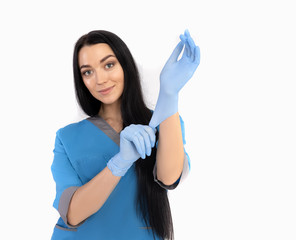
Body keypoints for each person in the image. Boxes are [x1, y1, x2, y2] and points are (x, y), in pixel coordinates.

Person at [50, 29, 200, 240]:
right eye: (87, 72)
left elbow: (170, 178)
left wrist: (169, 94)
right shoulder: (67, 137)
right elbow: (72, 214)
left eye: (108, 65)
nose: (100, 79)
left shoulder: (163, 122)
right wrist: (120, 162)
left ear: (125, 66)